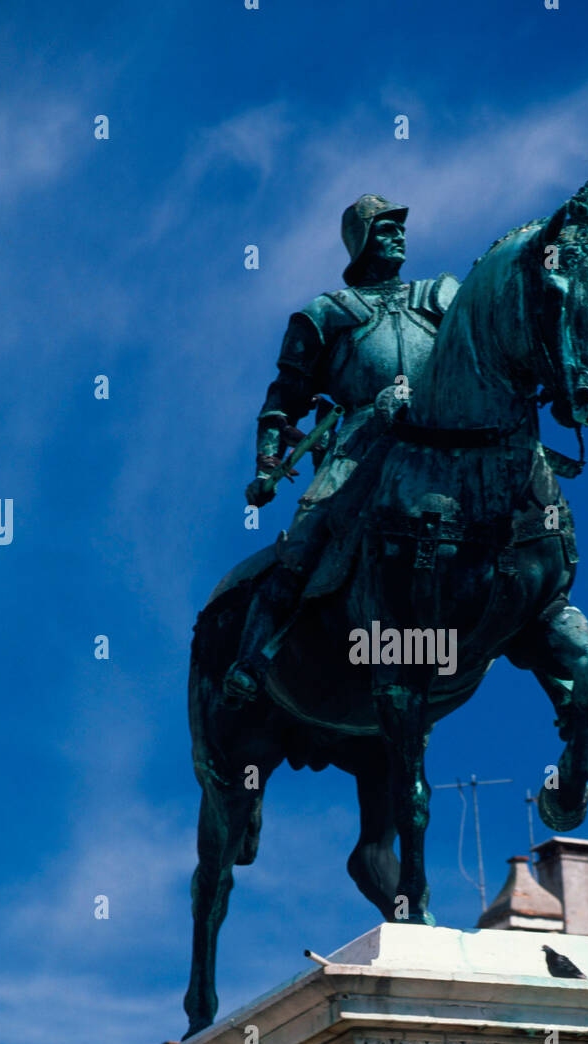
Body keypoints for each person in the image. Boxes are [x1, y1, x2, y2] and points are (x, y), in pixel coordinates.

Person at [221, 194, 459, 704]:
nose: (399, 235)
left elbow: (481, 351)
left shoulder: (442, 295)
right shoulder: (325, 315)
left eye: (400, 227)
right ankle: (254, 656)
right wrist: (267, 461)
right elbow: (283, 399)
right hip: (359, 443)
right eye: (386, 228)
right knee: (305, 541)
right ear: (362, 241)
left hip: (441, 435)